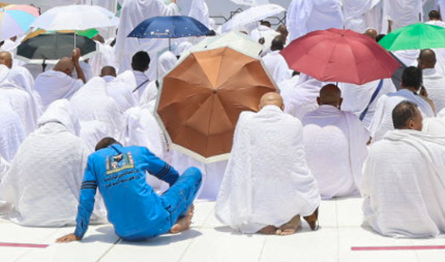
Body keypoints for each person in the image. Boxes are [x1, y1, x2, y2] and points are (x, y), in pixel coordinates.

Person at [362, 101, 445, 237]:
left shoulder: (376, 149)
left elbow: (366, 189)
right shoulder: (427, 149)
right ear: (412, 124)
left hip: (385, 221)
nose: (423, 126)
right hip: (419, 224)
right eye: (421, 121)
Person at [56, 136, 202, 243]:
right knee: (194, 173)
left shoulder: (94, 160)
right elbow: (171, 175)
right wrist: (182, 200)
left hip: (123, 232)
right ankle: (180, 218)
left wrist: (78, 233)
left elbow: (86, 198)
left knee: (157, 199)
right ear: (120, 145)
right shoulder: (138, 151)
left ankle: (172, 216)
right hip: (156, 223)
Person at [215, 93, 322, 234]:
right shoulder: (294, 122)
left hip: (258, 190)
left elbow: (240, 161)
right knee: (298, 175)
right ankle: (292, 216)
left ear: (259, 108)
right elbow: (298, 160)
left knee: (256, 175)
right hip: (289, 190)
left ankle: (265, 220)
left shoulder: (247, 121)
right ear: (283, 107)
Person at [300, 85, 367, 198]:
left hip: (311, 186)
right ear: (340, 101)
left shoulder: (306, 118)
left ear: (318, 100)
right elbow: (366, 139)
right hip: (344, 187)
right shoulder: (351, 119)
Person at [367, 66, 433, 141]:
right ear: (418, 87)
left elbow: (373, 131)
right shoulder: (425, 105)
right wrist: (425, 99)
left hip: (383, 145)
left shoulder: (385, 98)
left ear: (401, 83)